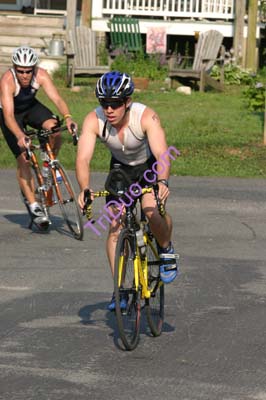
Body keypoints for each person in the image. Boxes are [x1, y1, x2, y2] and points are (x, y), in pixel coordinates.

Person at [76, 70, 179, 311]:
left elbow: (163, 155)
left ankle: (166, 249)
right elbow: (83, 159)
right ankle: (119, 289)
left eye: (115, 104)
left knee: (152, 211)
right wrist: (84, 189)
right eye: (104, 103)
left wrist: (162, 182)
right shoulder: (94, 120)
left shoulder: (146, 117)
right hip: (120, 171)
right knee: (114, 225)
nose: (109, 110)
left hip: (148, 168)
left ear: (127, 102)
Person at [0, 46, 77, 229]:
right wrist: (20, 135)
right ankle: (34, 206)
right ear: (14, 68)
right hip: (10, 116)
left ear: (34, 68)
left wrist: (68, 118)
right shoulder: (7, 80)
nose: (25, 75)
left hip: (30, 107)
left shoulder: (41, 75)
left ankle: (47, 164)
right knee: (24, 158)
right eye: (21, 71)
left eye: (28, 71)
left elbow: (57, 99)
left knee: (54, 129)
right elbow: (9, 116)